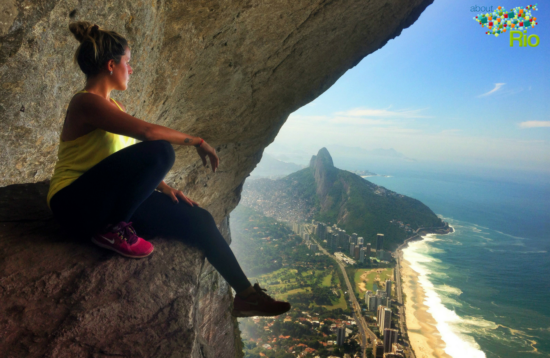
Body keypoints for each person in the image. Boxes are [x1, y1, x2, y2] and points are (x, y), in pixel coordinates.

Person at [46, 21, 290, 318]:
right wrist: (197, 140)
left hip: (104, 200)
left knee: (198, 218)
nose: (131, 69)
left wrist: (164, 188)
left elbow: (122, 161)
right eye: (128, 62)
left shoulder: (115, 108)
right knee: (161, 149)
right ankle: (115, 230)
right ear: (112, 65)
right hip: (73, 203)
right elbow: (149, 134)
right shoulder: (86, 103)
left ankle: (247, 296)